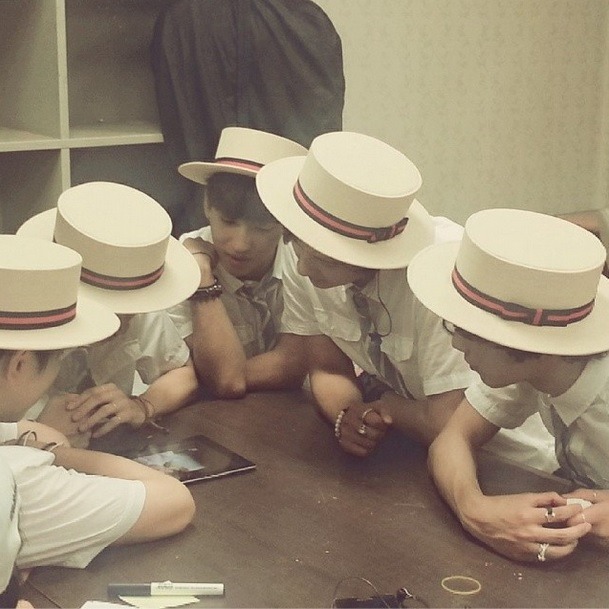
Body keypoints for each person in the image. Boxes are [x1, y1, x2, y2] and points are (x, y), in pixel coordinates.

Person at [255, 130, 556, 468]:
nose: (304, 269)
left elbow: (447, 419)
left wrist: (386, 407)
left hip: (511, 460)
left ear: (374, 250)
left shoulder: (440, 276)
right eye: (295, 244)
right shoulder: (305, 252)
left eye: (325, 260)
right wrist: (348, 416)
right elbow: (325, 366)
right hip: (412, 448)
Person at [406, 207, 609, 562]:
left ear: (528, 345)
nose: (456, 345)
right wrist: (475, 510)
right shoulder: (533, 369)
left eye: (468, 332)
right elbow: (452, 439)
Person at [0, 235, 195, 583]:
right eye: (56, 354)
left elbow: (183, 370)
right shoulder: (18, 479)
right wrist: (52, 451)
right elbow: (175, 502)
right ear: (20, 365)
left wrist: (143, 405)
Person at [16, 181, 201, 446]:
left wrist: (142, 406)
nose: (123, 322)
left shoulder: (139, 305)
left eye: (130, 310)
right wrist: (31, 432)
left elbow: (184, 374)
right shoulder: (17, 317)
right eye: (111, 308)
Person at [168, 127, 309, 397]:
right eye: (228, 222)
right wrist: (201, 275)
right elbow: (226, 383)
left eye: (262, 229)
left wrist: (226, 371)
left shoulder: (307, 261)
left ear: (287, 223)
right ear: (207, 205)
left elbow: (294, 363)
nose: (240, 244)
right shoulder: (181, 264)